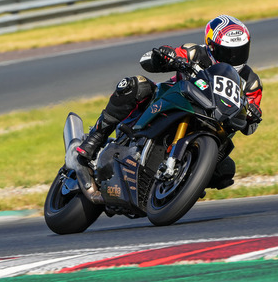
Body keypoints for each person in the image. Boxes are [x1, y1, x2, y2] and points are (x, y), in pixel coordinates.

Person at [76, 14, 263, 189]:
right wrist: (165, 56)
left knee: (225, 171)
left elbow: (249, 126)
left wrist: (253, 115)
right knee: (135, 85)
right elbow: (148, 60)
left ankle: (179, 185)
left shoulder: (251, 82)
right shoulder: (194, 53)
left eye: (240, 51)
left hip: (212, 127)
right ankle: (95, 139)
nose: (234, 58)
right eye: (228, 52)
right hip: (172, 103)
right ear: (212, 47)